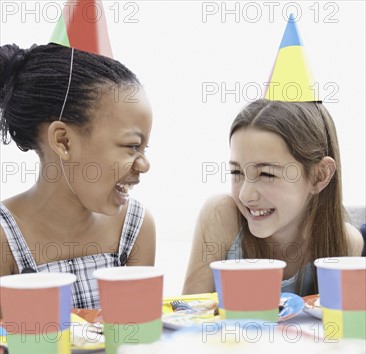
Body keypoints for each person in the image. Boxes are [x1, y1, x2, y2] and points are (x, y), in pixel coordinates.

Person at [0, 43, 154, 309]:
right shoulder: (5, 237)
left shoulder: (135, 227)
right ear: (64, 141)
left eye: (144, 148)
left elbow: (136, 338)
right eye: (131, 146)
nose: (144, 164)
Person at [183, 99, 363, 296]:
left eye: (267, 174)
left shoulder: (345, 243)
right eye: (236, 172)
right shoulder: (221, 216)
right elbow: (190, 313)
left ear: (319, 175)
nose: (245, 195)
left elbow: (339, 323)